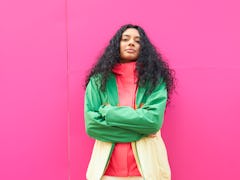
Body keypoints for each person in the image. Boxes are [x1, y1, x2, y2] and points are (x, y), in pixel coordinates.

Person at [84, 24, 175, 180]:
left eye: (137, 41)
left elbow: (152, 122)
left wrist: (109, 112)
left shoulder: (155, 81)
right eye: (125, 39)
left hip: (146, 172)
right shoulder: (98, 82)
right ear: (116, 45)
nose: (131, 43)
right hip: (106, 174)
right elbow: (92, 125)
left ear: (144, 49)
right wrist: (140, 131)